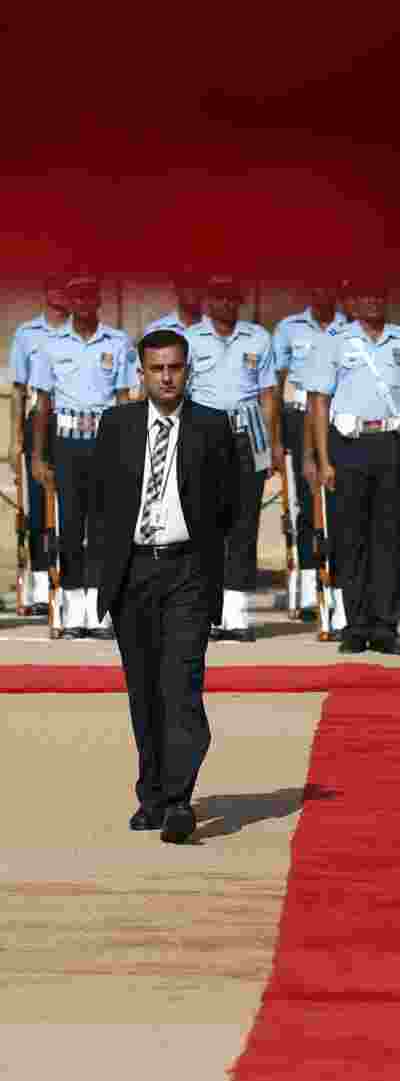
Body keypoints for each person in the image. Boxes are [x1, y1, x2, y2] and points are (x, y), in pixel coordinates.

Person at [90, 329, 237, 843]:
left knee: (181, 687)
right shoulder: (117, 425)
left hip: (188, 572)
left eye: (175, 367)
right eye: (157, 369)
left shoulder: (213, 426)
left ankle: (178, 799)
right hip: (133, 573)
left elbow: (230, 506)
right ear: (142, 373)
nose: (167, 377)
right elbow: (99, 503)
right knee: (145, 693)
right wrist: (100, 576)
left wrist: (223, 575)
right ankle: (151, 794)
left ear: (187, 369)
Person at [304, 281, 400, 656]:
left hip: (390, 445)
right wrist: (323, 460)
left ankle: (385, 626)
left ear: (387, 299)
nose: (372, 301)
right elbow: (318, 403)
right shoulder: (333, 341)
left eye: (379, 295)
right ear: (353, 302)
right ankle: (354, 625)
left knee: (389, 538)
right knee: (350, 538)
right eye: (365, 296)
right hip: (348, 445)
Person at [31, 272, 136, 638]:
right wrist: (38, 456)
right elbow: (43, 403)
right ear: (69, 302)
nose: (84, 303)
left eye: (90, 297)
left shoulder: (119, 342)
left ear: (99, 301)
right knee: (71, 526)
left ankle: (99, 609)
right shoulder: (52, 345)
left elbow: (125, 401)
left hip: (106, 441)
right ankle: (74, 610)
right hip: (67, 442)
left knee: (104, 529)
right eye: (77, 297)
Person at [185, 275, 281, 641]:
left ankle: (237, 614)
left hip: (248, 434)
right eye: (218, 297)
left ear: (239, 302)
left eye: (231, 297)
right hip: (205, 436)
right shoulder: (191, 339)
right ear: (208, 301)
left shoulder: (258, 337)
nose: (225, 303)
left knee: (244, 524)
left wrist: (272, 444)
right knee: (205, 526)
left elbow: (269, 394)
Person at [274, 285, 348, 622]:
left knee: (337, 501)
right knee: (304, 503)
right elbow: (275, 386)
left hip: (335, 418)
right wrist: (275, 437)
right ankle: (306, 588)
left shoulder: (349, 327)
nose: (323, 296)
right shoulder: (289, 328)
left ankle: (340, 585)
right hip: (297, 416)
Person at [7, 275, 70, 616]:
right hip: (37, 421)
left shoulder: (81, 332)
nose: (62, 294)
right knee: (36, 505)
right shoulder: (27, 334)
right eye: (57, 287)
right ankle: (38, 582)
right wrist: (15, 439)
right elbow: (18, 390)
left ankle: (68, 580)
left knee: (70, 507)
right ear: (46, 292)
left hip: (73, 421)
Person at [143, 271, 204, 337]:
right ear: (175, 287)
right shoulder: (156, 330)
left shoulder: (213, 329)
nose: (192, 289)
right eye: (186, 283)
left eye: (197, 283)